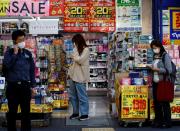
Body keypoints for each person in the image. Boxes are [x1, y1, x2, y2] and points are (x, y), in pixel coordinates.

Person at [3, 30, 36, 131]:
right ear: (14, 41)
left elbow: (32, 70)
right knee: (12, 112)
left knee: (26, 112)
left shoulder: (28, 54)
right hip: (12, 87)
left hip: (25, 87)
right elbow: (6, 67)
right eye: (20, 40)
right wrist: (15, 54)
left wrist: (33, 86)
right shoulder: (8, 53)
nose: (23, 42)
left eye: (24, 39)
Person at [147, 40, 173, 128]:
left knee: (165, 103)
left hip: (163, 82)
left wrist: (157, 70)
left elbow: (169, 70)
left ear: (159, 47)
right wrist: (150, 68)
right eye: (153, 48)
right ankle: (158, 121)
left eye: (155, 48)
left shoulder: (165, 56)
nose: (154, 49)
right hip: (155, 82)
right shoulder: (155, 56)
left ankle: (167, 122)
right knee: (157, 103)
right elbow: (153, 68)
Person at [68, 34, 90, 121]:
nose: (74, 44)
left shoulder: (86, 50)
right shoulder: (75, 50)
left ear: (78, 41)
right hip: (72, 76)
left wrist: (75, 53)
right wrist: (69, 73)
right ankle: (75, 112)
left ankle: (84, 114)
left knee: (82, 96)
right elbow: (73, 63)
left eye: (75, 42)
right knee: (73, 96)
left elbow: (80, 60)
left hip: (80, 76)